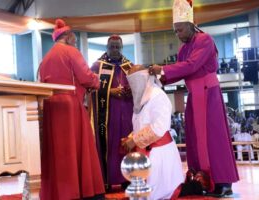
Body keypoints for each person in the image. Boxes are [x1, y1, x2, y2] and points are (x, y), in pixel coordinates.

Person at [148, 0, 239, 197]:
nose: (177, 35)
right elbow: (179, 72)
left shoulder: (204, 40)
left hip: (208, 94)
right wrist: (155, 78)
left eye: (179, 30)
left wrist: (163, 69)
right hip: (194, 95)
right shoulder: (183, 48)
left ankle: (223, 183)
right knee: (195, 139)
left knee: (214, 138)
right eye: (175, 31)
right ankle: (203, 179)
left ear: (190, 25)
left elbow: (191, 65)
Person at [38, 19, 105, 199]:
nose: (75, 42)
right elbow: (86, 77)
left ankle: (59, 192)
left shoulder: (46, 58)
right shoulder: (71, 52)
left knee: (57, 149)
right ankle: (81, 190)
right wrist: (97, 81)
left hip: (50, 106)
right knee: (75, 146)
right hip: (69, 105)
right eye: (74, 38)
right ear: (67, 37)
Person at [121, 65, 184, 200]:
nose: (132, 86)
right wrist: (131, 138)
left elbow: (159, 128)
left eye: (134, 80)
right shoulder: (141, 98)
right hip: (144, 153)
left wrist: (135, 140)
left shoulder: (158, 96)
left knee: (155, 194)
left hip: (158, 154)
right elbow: (140, 125)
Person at [90, 35, 133, 190]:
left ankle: (126, 179)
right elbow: (90, 88)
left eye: (118, 47)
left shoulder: (129, 66)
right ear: (107, 48)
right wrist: (110, 92)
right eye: (112, 47)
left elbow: (139, 86)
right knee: (108, 145)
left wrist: (131, 90)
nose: (115, 50)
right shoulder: (97, 66)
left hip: (127, 114)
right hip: (107, 116)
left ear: (122, 48)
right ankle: (106, 180)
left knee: (126, 144)